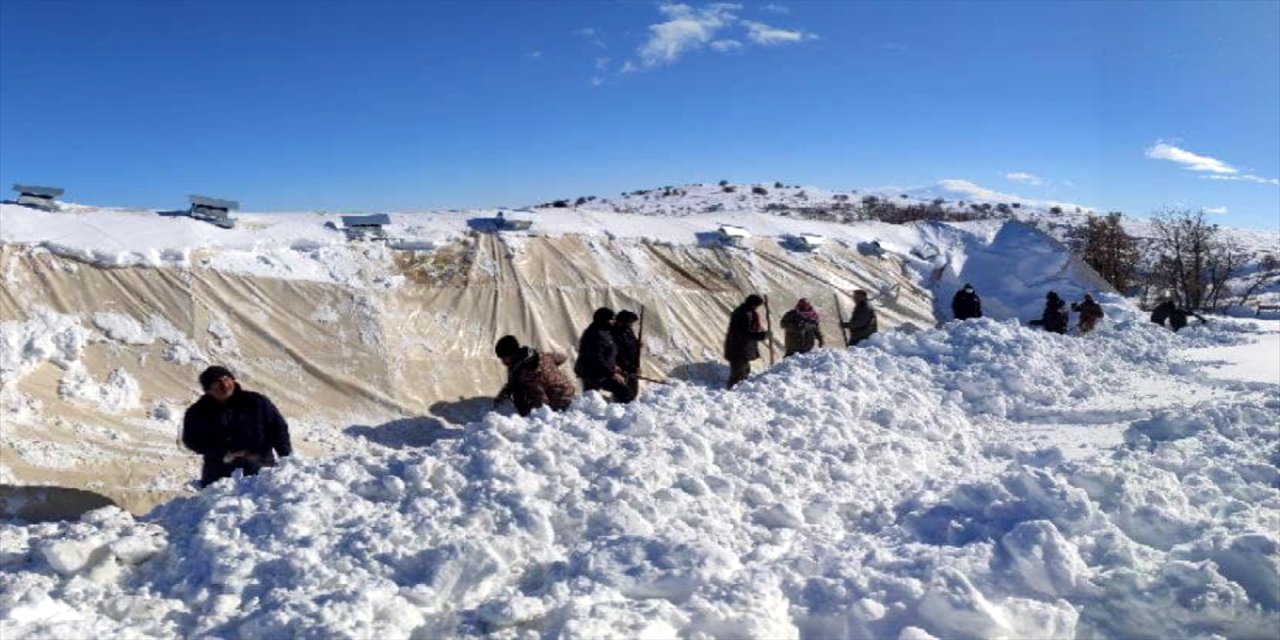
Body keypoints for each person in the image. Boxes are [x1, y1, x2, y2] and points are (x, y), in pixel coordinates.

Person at [182, 366, 292, 488]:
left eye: (226, 379)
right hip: (219, 474)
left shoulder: (256, 402)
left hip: (260, 468)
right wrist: (224, 453)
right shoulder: (198, 412)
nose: (224, 385)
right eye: (216, 382)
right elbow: (191, 440)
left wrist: (286, 459)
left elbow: (278, 429)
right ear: (208, 389)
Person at [494, 335, 575, 416]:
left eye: (503, 358)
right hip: (569, 390)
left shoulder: (527, 371)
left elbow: (539, 397)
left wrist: (531, 415)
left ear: (510, 355)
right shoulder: (538, 355)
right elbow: (562, 358)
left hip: (561, 400)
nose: (502, 362)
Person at [574, 307, 634, 403]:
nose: (613, 322)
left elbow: (607, 354)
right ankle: (624, 415)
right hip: (594, 372)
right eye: (611, 319)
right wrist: (612, 373)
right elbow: (596, 359)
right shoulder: (595, 335)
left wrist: (614, 366)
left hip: (600, 371)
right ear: (603, 320)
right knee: (624, 392)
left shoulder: (604, 332)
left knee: (592, 397)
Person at [724, 294, 769, 389]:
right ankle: (732, 394)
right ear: (753, 304)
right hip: (738, 348)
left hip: (741, 348)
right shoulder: (744, 314)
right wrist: (761, 335)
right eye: (757, 305)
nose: (757, 308)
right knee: (739, 374)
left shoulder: (746, 312)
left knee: (744, 372)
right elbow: (745, 333)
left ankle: (737, 393)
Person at [611, 310, 642, 399]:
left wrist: (638, 344)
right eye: (630, 322)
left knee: (633, 391)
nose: (631, 325)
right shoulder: (614, 334)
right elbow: (619, 355)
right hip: (622, 367)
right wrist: (630, 368)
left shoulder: (628, 330)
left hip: (632, 365)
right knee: (622, 392)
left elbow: (632, 342)